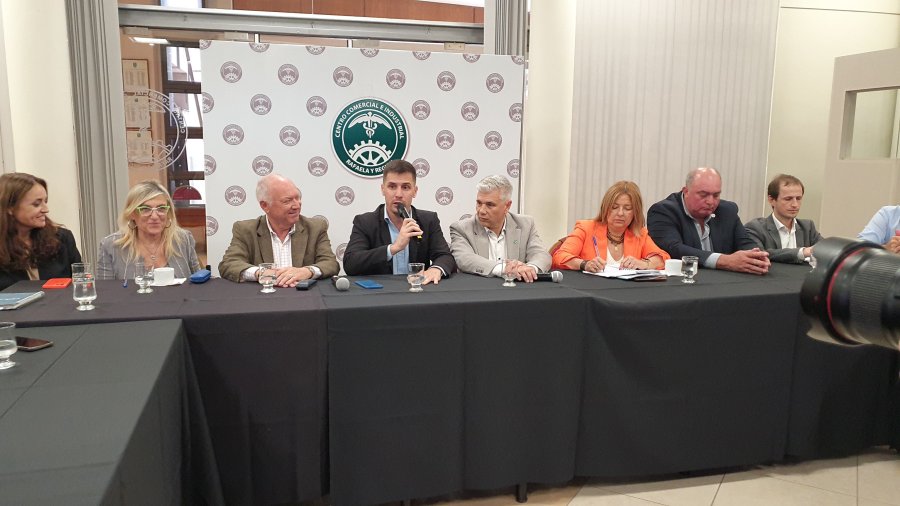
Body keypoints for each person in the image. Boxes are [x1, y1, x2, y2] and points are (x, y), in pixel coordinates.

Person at [343, 160, 456, 283]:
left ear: (415, 191)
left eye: (405, 187)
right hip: (379, 294)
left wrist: (436, 269)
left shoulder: (428, 220)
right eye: (392, 186)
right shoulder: (365, 222)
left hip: (418, 292)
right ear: (383, 189)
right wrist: (393, 248)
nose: (398, 194)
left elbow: (445, 256)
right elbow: (350, 264)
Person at [218, 173, 339, 287]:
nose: (296, 205)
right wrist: (262, 273)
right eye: (287, 201)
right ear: (265, 206)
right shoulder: (245, 230)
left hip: (305, 298)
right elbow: (229, 264)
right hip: (263, 299)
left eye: (298, 198)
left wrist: (307, 271)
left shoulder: (315, 227)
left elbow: (330, 263)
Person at [648, 167, 770, 274]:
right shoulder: (663, 211)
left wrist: (757, 257)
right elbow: (674, 249)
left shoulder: (727, 210)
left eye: (716, 195)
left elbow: (745, 243)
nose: (711, 201)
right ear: (686, 191)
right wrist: (724, 260)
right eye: (703, 195)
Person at [450, 175, 550, 281]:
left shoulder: (525, 224)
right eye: (479, 203)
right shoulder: (461, 229)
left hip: (516, 290)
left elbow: (541, 254)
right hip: (478, 291)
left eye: (490, 205)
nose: (481, 211)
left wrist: (529, 269)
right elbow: (464, 259)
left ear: (507, 206)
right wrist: (502, 269)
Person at [552, 180, 668, 272]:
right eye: (614, 207)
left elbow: (663, 259)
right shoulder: (586, 228)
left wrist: (643, 264)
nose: (620, 213)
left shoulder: (639, 234)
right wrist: (584, 264)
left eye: (627, 208)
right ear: (605, 208)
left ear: (635, 212)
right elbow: (559, 257)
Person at [97, 181, 201, 280]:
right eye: (145, 209)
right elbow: (105, 293)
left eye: (161, 208)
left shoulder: (183, 239)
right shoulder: (110, 246)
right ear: (132, 213)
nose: (155, 216)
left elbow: (199, 285)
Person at [0, 172, 82, 290]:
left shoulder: (62, 238)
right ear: (10, 208)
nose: (45, 209)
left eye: (45, 202)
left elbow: (81, 282)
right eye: (36, 204)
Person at [744, 174, 821, 264]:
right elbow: (761, 255)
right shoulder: (756, 227)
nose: (795, 204)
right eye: (788, 199)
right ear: (771, 200)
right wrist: (802, 252)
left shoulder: (808, 227)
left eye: (798, 198)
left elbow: (826, 250)